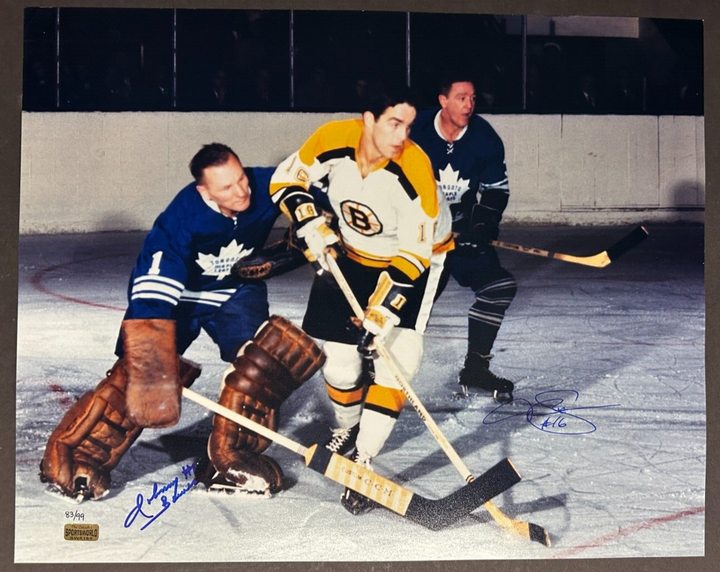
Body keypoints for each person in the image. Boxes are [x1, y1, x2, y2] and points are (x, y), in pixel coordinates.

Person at [39, 143, 325, 501]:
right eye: (227, 187)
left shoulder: (267, 183)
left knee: (265, 365)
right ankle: (82, 454)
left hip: (235, 292)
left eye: (241, 179)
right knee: (144, 373)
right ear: (203, 190)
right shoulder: (183, 217)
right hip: (181, 297)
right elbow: (155, 280)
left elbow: (320, 184)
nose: (241, 192)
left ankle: (230, 459)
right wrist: (149, 345)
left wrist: (313, 225)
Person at [269, 85, 449, 514]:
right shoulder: (332, 139)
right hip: (350, 255)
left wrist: (382, 310)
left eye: (408, 125)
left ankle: (364, 461)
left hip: (416, 264)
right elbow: (286, 178)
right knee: (340, 360)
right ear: (367, 119)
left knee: (396, 358)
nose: (402, 135)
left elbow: (414, 255)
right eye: (393, 123)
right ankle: (347, 430)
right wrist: (308, 217)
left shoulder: (415, 170)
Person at [411, 73, 517, 401]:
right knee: (406, 310)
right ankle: (375, 373)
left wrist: (483, 227)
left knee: (498, 288)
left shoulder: (484, 138)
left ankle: (476, 368)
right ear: (443, 100)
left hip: (459, 233)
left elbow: (496, 191)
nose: (469, 105)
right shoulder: (414, 131)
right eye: (461, 97)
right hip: (417, 237)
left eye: (472, 98)